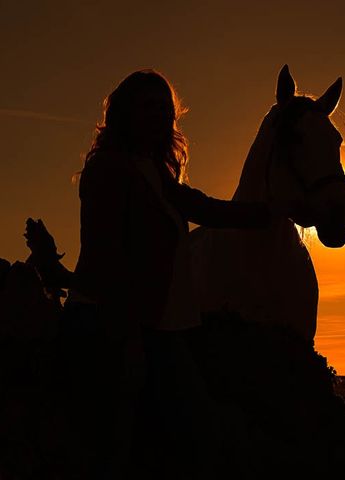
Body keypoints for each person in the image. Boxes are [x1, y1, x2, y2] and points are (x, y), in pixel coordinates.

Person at [28, 69, 295, 479]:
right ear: (126, 113)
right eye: (148, 106)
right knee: (132, 440)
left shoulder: (156, 171)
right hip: (115, 325)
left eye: (165, 109)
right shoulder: (109, 169)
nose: (158, 117)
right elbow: (107, 259)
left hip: (159, 325)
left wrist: (270, 211)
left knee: (179, 432)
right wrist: (130, 337)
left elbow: (205, 207)